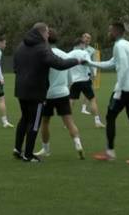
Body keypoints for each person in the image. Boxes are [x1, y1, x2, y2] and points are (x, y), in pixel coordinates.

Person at [13, 22, 84, 162]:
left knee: (24, 119)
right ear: (42, 33)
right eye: (47, 33)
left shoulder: (21, 46)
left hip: (21, 89)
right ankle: (28, 155)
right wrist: (77, 61)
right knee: (34, 123)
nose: (48, 35)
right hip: (37, 92)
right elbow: (59, 64)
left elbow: (15, 67)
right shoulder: (42, 48)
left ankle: (17, 148)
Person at [88, 23, 129, 165]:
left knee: (110, 117)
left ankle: (110, 153)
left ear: (115, 31)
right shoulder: (127, 44)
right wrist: (90, 63)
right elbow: (112, 63)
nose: (108, 33)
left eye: (109, 30)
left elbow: (124, 66)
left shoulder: (119, 46)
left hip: (124, 90)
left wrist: (118, 91)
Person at [34, 29, 85, 160]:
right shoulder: (65, 55)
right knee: (69, 121)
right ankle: (78, 144)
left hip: (48, 94)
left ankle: (46, 149)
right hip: (63, 93)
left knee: (45, 122)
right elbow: (70, 79)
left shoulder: (43, 55)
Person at [68, 39, 105, 128]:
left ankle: (67, 123)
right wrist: (93, 74)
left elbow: (66, 67)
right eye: (84, 44)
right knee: (92, 99)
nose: (85, 46)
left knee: (71, 100)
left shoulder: (68, 54)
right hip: (84, 80)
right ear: (80, 44)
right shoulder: (84, 53)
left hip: (74, 81)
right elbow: (89, 64)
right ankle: (97, 121)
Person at [79, 33, 97, 115]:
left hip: (88, 73)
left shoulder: (92, 50)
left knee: (89, 91)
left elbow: (93, 63)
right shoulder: (76, 48)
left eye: (89, 38)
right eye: (86, 37)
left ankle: (83, 108)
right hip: (77, 73)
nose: (87, 39)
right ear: (82, 38)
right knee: (71, 93)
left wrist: (94, 73)